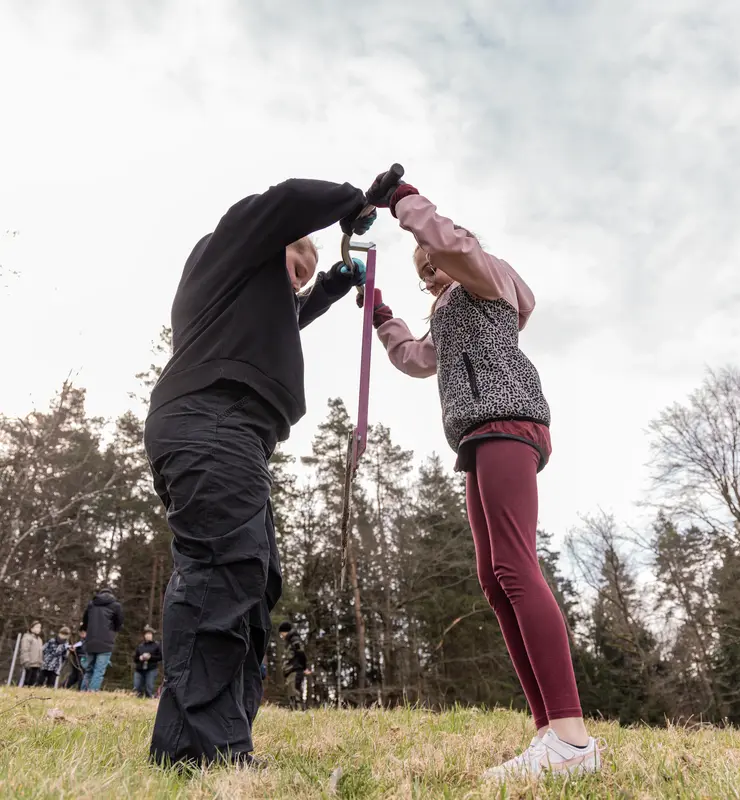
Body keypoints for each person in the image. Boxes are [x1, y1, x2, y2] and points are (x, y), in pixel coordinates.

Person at [362, 174, 603, 780]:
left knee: (517, 568)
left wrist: (404, 206)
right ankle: (549, 732)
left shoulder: (486, 277)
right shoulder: (447, 314)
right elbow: (416, 360)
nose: (428, 271)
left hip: (507, 420)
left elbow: (455, 249)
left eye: (431, 260)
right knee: (494, 579)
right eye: (421, 270)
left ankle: (573, 740)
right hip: (475, 435)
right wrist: (384, 318)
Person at [143, 176, 376, 768]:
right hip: (210, 421)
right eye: (302, 254)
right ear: (277, 240)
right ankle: (200, 752)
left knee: (253, 579)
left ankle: (216, 743)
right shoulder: (231, 244)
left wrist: (328, 287)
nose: (304, 268)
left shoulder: (242, 299)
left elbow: (278, 321)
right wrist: (356, 202)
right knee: (223, 573)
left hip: (234, 433)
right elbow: (289, 199)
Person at [80, 587, 123, 692]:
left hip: (90, 641)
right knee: (99, 670)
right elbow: (119, 623)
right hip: (106, 642)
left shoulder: (91, 605)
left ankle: (83, 691)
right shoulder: (116, 606)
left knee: (89, 669)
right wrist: (113, 631)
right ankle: (92, 692)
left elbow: (85, 621)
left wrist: (85, 630)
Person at [278, 621, 307, 710]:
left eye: (281, 633)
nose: (281, 636)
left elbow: (301, 653)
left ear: (284, 631)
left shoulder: (294, 640)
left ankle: (298, 714)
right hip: (291, 671)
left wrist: (303, 667)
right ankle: (294, 712)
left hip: (295, 670)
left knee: (295, 693)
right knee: (291, 694)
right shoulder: (290, 641)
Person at [133, 625, 162, 698]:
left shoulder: (157, 645)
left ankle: (148, 701)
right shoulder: (140, 646)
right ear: (144, 635)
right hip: (139, 669)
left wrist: (150, 657)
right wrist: (140, 658)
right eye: (146, 634)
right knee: (137, 688)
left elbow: (160, 657)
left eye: (150, 634)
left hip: (151, 669)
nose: (148, 636)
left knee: (149, 688)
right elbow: (135, 658)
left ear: (152, 635)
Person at [19, 620, 44, 686]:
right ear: (31, 628)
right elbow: (24, 650)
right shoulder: (27, 637)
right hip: (29, 663)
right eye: (37, 627)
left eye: (40, 627)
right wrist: (26, 661)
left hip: (37, 664)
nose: (38, 629)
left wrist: (40, 662)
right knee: (26, 681)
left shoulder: (39, 639)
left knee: (33, 682)